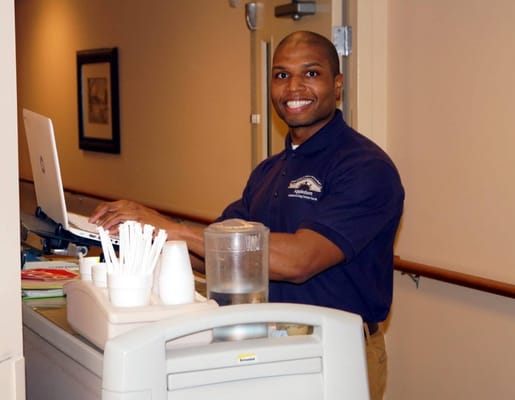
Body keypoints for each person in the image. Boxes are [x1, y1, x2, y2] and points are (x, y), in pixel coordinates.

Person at [90, 30, 404, 399]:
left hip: (333, 350)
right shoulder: (269, 171)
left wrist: (173, 229)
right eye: (282, 75)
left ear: (337, 85)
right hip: (266, 347)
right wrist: (141, 237)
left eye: (311, 73)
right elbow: (221, 258)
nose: (293, 87)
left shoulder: (366, 167)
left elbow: (300, 260)